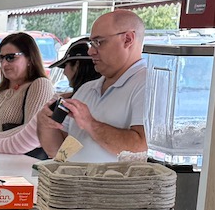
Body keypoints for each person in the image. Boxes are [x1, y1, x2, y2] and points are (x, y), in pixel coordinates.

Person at [38, 10, 149, 163]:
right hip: (73, 183)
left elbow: (140, 148)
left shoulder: (148, 86)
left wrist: (90, 124)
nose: (90, 51)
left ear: (127, 39)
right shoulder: (87, 89)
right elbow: (60, 152)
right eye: (92, 43)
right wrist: (46, 124)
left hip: (110, 186)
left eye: (99, 42)